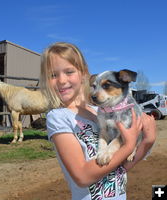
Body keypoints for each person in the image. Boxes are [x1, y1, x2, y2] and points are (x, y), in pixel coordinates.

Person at [40, 42, 156, 200]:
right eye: (53, 75)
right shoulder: (58, 117)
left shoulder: (98, 111)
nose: (61, 80)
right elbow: (82, 177)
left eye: (68, 72)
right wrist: (128, 145)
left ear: (84, 74)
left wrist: (148, 141)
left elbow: (122, 168)